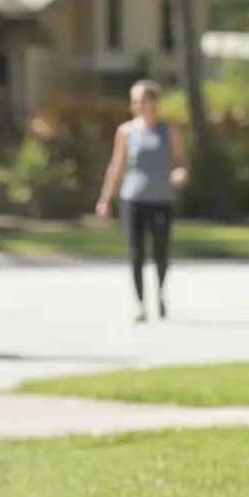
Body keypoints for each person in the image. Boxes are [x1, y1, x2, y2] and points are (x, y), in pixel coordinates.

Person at [95, 79, 188, 323]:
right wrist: (106, 199)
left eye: (143, 100)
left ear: (154, 103)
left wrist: (180, 172)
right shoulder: (126, 132)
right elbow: (117, 166)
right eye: (134, 100)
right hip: (133, 198)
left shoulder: (169, 131)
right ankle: (140, 305)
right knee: (136, 253)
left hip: (161, 198)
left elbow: (180, 161)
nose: (138, 105)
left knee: (161, 251)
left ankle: (159, 292)